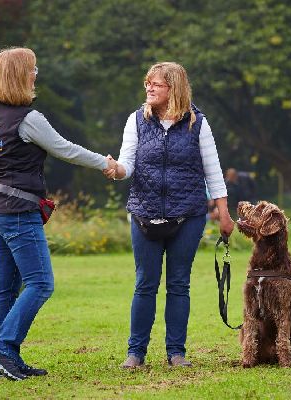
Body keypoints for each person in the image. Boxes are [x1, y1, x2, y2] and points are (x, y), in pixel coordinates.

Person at [0, 47, 116, 380]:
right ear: (19, 76)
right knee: (40, 283)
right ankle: (2, 348)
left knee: (5, 289)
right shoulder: (28, 119)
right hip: (17, 212)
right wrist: (106, 163)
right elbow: (65, 150)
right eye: (33, 70)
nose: (35, 76)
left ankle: (4, 364)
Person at [104, 62, 234, 368]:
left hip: (188, 215)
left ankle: (176, 353)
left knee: (178, 284)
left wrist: (224, 215)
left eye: (157, 84)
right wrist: (115, 169)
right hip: (144, 214)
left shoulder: (198, 123)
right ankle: (135, 353)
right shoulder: (136, 120)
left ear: (174, 88)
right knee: (145, 284)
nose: (149, 88)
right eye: (147, 83)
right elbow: (127, 164)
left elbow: (213, 171)